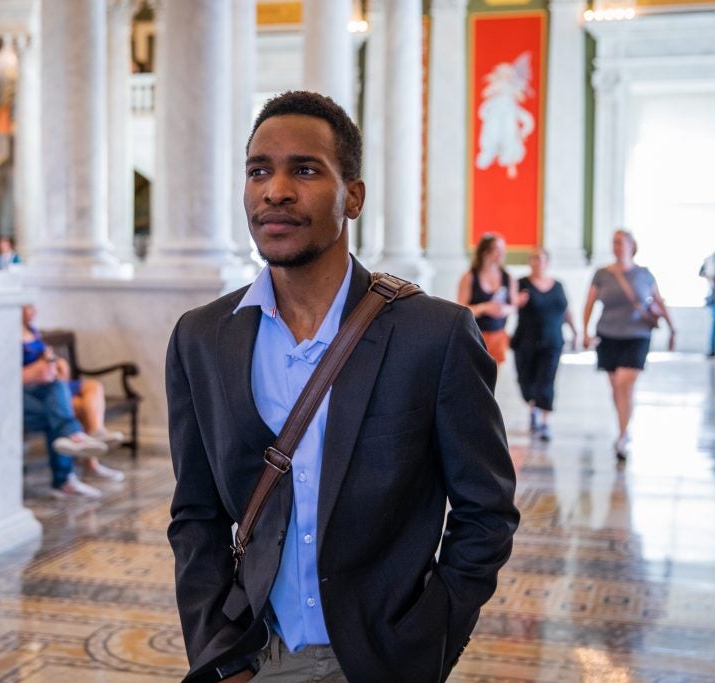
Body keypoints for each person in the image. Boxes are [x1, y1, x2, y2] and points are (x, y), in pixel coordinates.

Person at [166, 91, 519, 682]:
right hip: (258, 655)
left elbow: (486, 515)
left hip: (382, 660)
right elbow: (195, 515)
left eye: (304, 169)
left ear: (352, 196)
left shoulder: (433, 334)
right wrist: (220, 655)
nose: (275, 190)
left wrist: (425, 643)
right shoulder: (203, 338)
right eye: (259, 171)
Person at [583, 229, 675, 462]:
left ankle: (622, 436)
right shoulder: (602, 274)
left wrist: (673, 328)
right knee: (616, 388)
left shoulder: (644, 274)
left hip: (637, 335)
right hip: (608, 334)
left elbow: (659, 301)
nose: (617, 247)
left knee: (626, 382)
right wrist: (585, 331)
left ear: (632, 246)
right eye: (614, 242)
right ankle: (623, 425)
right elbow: (590, 302)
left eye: (621, 243)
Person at [22, 306, 124, 499]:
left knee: (87, 389)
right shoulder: (7, 334)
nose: (34, 310)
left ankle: (91, 435)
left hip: (47, 388)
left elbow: (47, 356)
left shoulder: (32, 330)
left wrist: (53, 362)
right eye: (28, 306)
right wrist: (33, 372)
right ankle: (74, 454)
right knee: (60, 412)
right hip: (28, 392)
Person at [511, 248, 577, 441]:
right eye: (533, 259)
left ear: (547, 262)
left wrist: (575, 331)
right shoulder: (521, 284)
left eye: (540, 259)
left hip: (552, 341)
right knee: (526, 382)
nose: (537, 262)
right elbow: (509, 304)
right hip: (526, 341)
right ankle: (533, 408)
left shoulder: (558, 286)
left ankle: (545, 422)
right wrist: (517, 302)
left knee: (547, 380)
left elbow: (566, 310)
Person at [457, 233, 519, 364]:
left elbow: (514, 306)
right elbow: (461, 309)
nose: (502, 253)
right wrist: (484, 307)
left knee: (494, 378)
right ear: (485, 252)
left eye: (503, 249)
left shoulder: (508, 277)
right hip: (475, 335)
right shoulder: (469, 277)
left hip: (498, 335)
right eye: (497, 249)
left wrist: (503, 310)